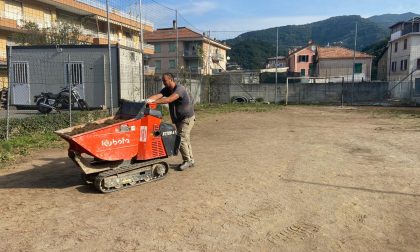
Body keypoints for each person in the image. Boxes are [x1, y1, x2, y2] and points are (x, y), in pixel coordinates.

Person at [147, 73, 195, 171]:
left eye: (165, 81)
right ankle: (191, 160)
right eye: (163, 81)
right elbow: (158, 95)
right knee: (186, 139)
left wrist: (153, 102)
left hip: (186, 118)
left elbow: (169, 99)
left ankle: (187, 161)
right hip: (179, 119)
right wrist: (147, 100)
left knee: (181, 139)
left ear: (171, 79)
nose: (163, 83)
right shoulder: (167, 89)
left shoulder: (179, 89)